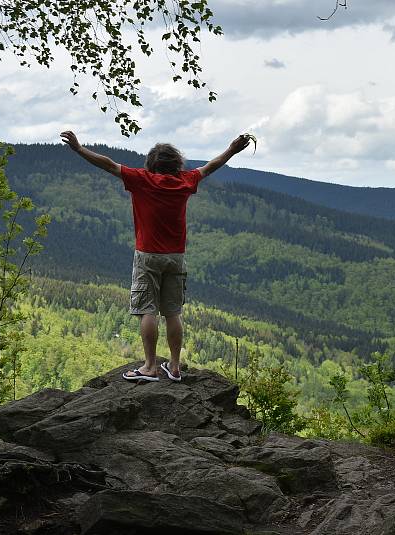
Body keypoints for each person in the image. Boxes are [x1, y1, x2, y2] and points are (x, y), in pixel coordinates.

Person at [60, 130, 251, 382]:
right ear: (176, 164)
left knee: (147, 310)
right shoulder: (186, 181)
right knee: (173, 312)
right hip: (176, 256)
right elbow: (210, 166)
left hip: (148, 255)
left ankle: (150, 366)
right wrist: (232, 149)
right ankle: (174, 366)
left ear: (151, 164)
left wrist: (79, 149)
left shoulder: (142, 180)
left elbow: (107, 164)